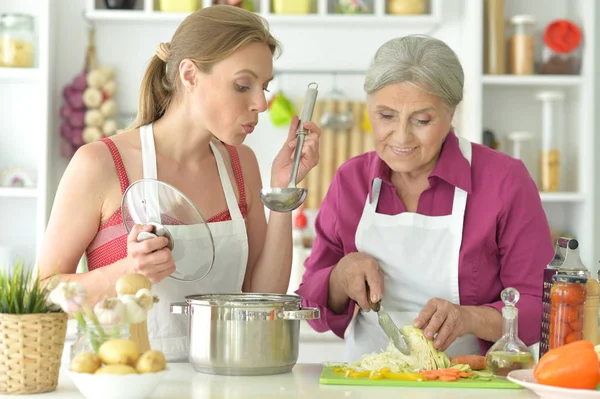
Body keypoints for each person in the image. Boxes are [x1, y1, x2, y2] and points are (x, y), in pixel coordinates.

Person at [37, 5, 321, 361]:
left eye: (264, 87)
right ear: (189, 75)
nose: (261, 104)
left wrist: (283, 190)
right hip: (126, 380)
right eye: (243, 85)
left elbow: (260, 296)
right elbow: (43, 294)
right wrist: (128, 269)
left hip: (226, 378)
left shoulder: (240, 165)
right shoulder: (100, 163)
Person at [296, 35, 554, 361]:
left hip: (469, 383)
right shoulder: (351, 181)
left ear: (451, 114)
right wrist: (339, 276)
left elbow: (539, 306)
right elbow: (310, 308)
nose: (401, 137)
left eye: (422, 120)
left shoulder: (504, 181)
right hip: (367, 381)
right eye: (386, 116)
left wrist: (469, 318)